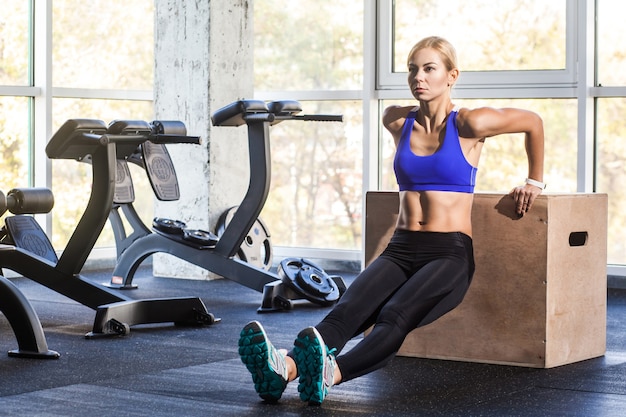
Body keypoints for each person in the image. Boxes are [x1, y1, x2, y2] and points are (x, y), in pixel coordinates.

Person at [238, 35, 545, 406]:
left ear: (452, 76)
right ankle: (282, 370)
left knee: (394, 315)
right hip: (401, 248)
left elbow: (533, 122)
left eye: (430, 69)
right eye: (413, 69)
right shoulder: (397, 121)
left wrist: (534, 181)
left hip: (448, 254)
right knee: (347, 311)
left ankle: (330, 373)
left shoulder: (469, 124)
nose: (419, 77)